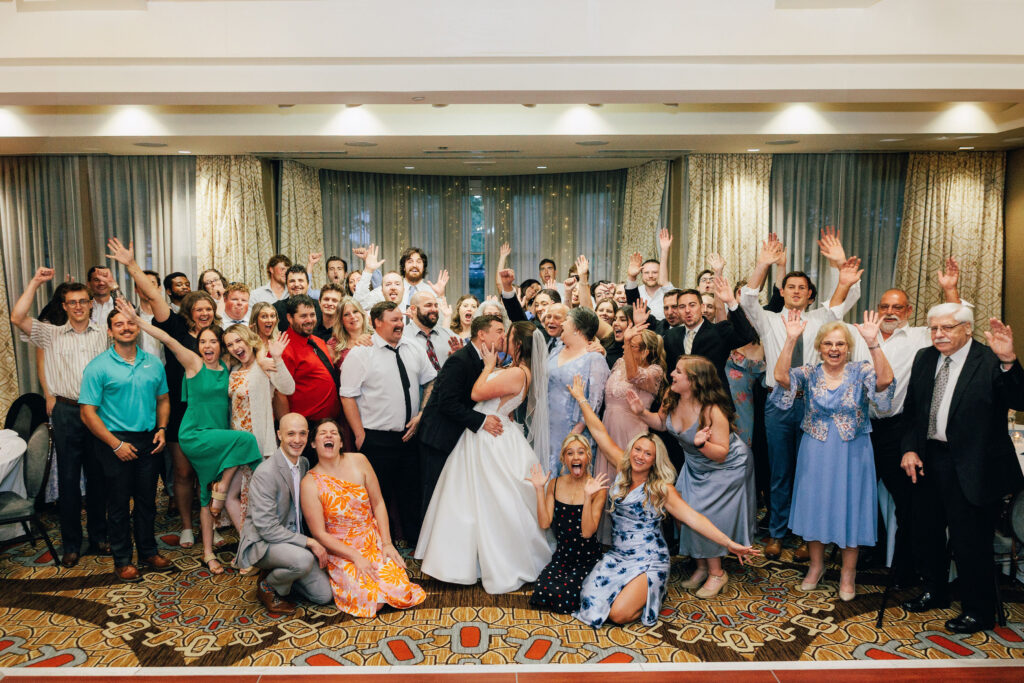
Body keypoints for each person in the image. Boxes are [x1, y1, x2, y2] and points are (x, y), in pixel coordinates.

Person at [567, 375, 759, 626]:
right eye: (638, 450)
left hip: (648, 559)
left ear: (654, 461)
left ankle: (651, 591)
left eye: (648, 454)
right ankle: (634, 590)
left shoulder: (661, 489)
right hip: (618, 556)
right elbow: (599, 432)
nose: (640, 456)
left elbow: (694, 518)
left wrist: (729, 543)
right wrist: (581, 398)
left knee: (618, 614)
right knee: (587, 602)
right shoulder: (622, 468)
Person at [900, 305, 1024, 634]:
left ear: (967, 329)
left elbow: (1019, 398)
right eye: (934, 328)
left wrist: (1009, 361)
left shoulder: (990, 357)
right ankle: (935, 590)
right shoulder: (925, 358)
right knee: (925, 531)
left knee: (970, 541)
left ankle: (978, 610)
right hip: (930, 459)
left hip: (975, 464)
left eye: (947, 328)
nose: (939, 334)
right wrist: (910, 448)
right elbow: (913, 412)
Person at [739, 234, 862, 561]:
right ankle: (778, 534)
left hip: (815, 403)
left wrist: (839, 262)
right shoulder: (768, 321)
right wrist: (764, 263)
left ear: (809, 296)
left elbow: (843, 294)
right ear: (781, 291)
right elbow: (748, 297)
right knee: (780, 471)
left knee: (812, 471)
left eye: (802, 288)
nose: (795, 291)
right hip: (777, 402)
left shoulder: (822, 319)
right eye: (790, 286)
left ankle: (809, 537)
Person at [120, 299, 263, 574]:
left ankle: (208, 553)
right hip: (195, 435)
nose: (207, 346)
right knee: (246, 441)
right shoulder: (193, 363)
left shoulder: (227, 367)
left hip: (219, 435)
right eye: (203, 342)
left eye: (213, 342)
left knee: (206, 500)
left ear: (220, 346)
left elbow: (251, 350)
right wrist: (137, 321)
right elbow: (168, 339)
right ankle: (227, 485)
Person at [416, 321, 554, 593]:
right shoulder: (514, 369)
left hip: (490, 439)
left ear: (518, 344)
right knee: (474, 502)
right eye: (500, 331)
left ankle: (497, 560)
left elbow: (478, 393)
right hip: (488, 433)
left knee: (489, 502)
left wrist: (489, 367)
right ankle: (470, 561)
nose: (503, 337)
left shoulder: (516, 372)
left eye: (508, 334)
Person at [773, 311, 894, 601]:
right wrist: (790, 340)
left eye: (840, 344)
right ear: (819, 347)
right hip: (815, 449)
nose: (834, 349)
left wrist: (873, 342)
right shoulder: (809, 372)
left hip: (853, 450)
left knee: (850, 508)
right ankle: (816, 567)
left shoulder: (861, 369)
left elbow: (884, 382)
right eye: (828, 344)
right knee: (815, 506)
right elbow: (780, 378)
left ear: (848, 347)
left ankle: (847, 573)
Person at [107, 237, 213, 550]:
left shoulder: (218, 336)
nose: (203, 313)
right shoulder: (176, 328)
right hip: (181, 408)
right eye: (198, 308)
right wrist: (130, 265)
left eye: (208, 308)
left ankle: (212, 522)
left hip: (212, 409)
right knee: (181, 471)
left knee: (210, 470)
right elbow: (153, 294)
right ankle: (185, 526)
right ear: (187, 310)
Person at [629, 356, 757, 599]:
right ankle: (701, 566)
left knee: (703, 513)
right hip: (696, 465)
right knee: (683, 514)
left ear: (694, 381)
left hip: (726, 466)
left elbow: (720, 453)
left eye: (678, 372)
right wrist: (641, 412)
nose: (672, 375)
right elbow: (662, 423)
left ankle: (717, 573)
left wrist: (701, 445)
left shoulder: (712, 411)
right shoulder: (671, 396)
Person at [868, 259, 961, 588]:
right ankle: (870, 553)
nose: (890, 311)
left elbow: (956, 321)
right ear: (877, 309)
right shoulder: (861, 335)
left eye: (897, 306)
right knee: (858, 496)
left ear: (908, 311)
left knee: (909, 502)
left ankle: (905, 569)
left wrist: (950, 288)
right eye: (884, 306)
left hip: (898, 431)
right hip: (862, 431)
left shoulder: (923, 336)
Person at [10, 268, 109, 567]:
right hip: (66, 410)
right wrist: (35, 282)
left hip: (98, 411)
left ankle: (99, 536)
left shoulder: (105, 334)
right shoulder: (50, 334)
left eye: (83, 301)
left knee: (98, 478)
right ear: (64, 306)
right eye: (72, 302)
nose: (78, 306)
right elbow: (17, 317)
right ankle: (72, 545)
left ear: (91, 303)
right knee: (68, 480)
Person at [79, 306, 172, 582]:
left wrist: (163, 429)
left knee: (147, 500)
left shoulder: (153, 363)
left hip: (149, 440)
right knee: (118, 503)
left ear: (138, 328)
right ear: (110, 331)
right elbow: (87, 412)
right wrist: (116, 444)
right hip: (113, 441)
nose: (126, 328)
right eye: (119, 324)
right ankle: (122, 559)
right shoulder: (98, 366)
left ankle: (148, 551)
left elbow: (163, 399)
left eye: (130, 323)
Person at [302, 419, 426, 617]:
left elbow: (378, 503)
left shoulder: (359, 460)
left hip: (372, 541)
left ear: (341, 443)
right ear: (314, 443)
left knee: (400, 591)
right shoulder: (309, 483)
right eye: (323, 433)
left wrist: (386, 543)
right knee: (373, 601)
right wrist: (355, 557)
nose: (329, 436)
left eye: (334, 433)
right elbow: (319, 533)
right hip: (342, 549)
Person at [339, 301, 437, 544]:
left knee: (411, 494)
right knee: (376, 496)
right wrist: (360, 434)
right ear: (377, 323)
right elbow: (347, 395)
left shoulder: (413, 347)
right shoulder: (361, 353)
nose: (399, 324)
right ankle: (379, 546)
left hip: (410, 435)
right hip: (376, 438)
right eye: (393, 320)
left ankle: (415, 546)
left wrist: (421, 414)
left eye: (400, 319)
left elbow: (432, 382)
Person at [236, 413, 333, 615]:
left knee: (323, 596)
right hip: (264, 543)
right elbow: (267, 529)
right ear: (279, 434)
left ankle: (285, 575)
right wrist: (310, 542)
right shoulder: (266, 473)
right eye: (290, 434)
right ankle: (268, 586)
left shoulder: (304, 463)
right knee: (303, 561)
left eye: (302, 434)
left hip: (292, 541)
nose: (297, 440)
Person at [417, 314, 507, 515]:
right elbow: (447, 403)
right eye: (499, 331)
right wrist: (482, 420)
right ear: (482, 334)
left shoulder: (487, 359)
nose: (504, 336)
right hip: (439, 437)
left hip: (461, 437)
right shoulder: (460, 360)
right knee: (434, 495)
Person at [596, 323, 665, 544]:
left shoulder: (655, 372)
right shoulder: (618, 363)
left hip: (632, 432)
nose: (626, 349)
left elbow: (634, 375)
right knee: (606, 484)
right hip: (608, 426)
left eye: (632, 346)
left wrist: (625, 340)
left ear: (645, 351)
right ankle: (608, 540)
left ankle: (633, 539)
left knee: (627, 484)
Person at [526, 435, 606, 613]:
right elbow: (544, 523)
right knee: (542, 591)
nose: (575, 457)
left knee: (564, 595)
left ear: (588, 457)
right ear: (564, 458)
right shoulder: (554, 484)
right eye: (570, 453)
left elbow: (587, 532)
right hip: (562, 556)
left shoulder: (597, 489)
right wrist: (540, 490)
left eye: (580, 452)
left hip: (587, 558)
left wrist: (587, 497)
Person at [661, 277, 758, 394]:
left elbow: (746, 335)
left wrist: (731, 302)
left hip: (713, 400)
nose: (687, 310)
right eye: (682, 307)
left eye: (692, 305)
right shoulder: (671, 336)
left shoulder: (719, 331)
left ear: (701, 307)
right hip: (681, 402)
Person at [547, 307, 610, 474]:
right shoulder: (555, 351)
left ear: (577, 328)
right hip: (547, 427)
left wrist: (573, 435)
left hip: (573, 432)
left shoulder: (594, 359)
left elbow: (595, 402)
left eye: (566, 320)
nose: (561, 323)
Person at [279, 295, 342, 461]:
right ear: (289, 318)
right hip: (306, 429)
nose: (309, 320)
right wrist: (288, 429)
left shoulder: (318, 341)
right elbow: (279, 393)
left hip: (329, 426)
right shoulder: (283, 348)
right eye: (303, 316)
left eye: (312, 315)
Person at [224, 324, 295, 459]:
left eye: (239, 341)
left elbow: (288, 388)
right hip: (237, 439)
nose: (235, 347)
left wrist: (277, 359)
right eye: (230, 345)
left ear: (249, 339)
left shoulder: (263, 364)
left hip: (258, 439)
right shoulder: (234, 369)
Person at [403, 290, 459, 371]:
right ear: (413, 309)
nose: (434, 309)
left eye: (436, 306)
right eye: (428, 305)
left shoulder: (449, 335)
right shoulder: (403, 337)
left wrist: (460, 355)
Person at [625, 229, 674, 318]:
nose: (650, 276)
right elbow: (631, 299)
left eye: (655, 272)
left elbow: (664, 283)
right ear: (642, 274)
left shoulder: (670, 292)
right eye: (646, 272)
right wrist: (631, 276)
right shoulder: (636, 292)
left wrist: (665, 250)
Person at [353, 244, 410, 312]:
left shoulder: (411, 305)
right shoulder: (378, 296)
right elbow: (357, 305)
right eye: (388, 284)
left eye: (397, 284)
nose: (393, 287)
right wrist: (368, 270)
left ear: (404, 290)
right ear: (382, 291)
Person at [274, 265, 324, 332]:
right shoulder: (276, 308)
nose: (296, 284)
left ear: (308, 284)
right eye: (292, 281)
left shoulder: (320, 306)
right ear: (286, 285)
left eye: (300, 280)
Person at [330, 296, 372, 366]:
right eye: (346, 314)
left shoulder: (376, 336)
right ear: (341, 320)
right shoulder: (333, 344)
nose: (352, 316)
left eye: (355, 311)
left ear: (362, 314)